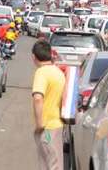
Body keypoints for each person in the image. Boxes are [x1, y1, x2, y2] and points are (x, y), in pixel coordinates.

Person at [31, 40, 66, 170]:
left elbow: (38, 98)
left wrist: (40, 124)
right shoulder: (58, 72)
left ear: (34, 57)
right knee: (54, 164)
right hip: (57, 125)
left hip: (47, 128)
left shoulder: (42, 72)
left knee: (49, 165)